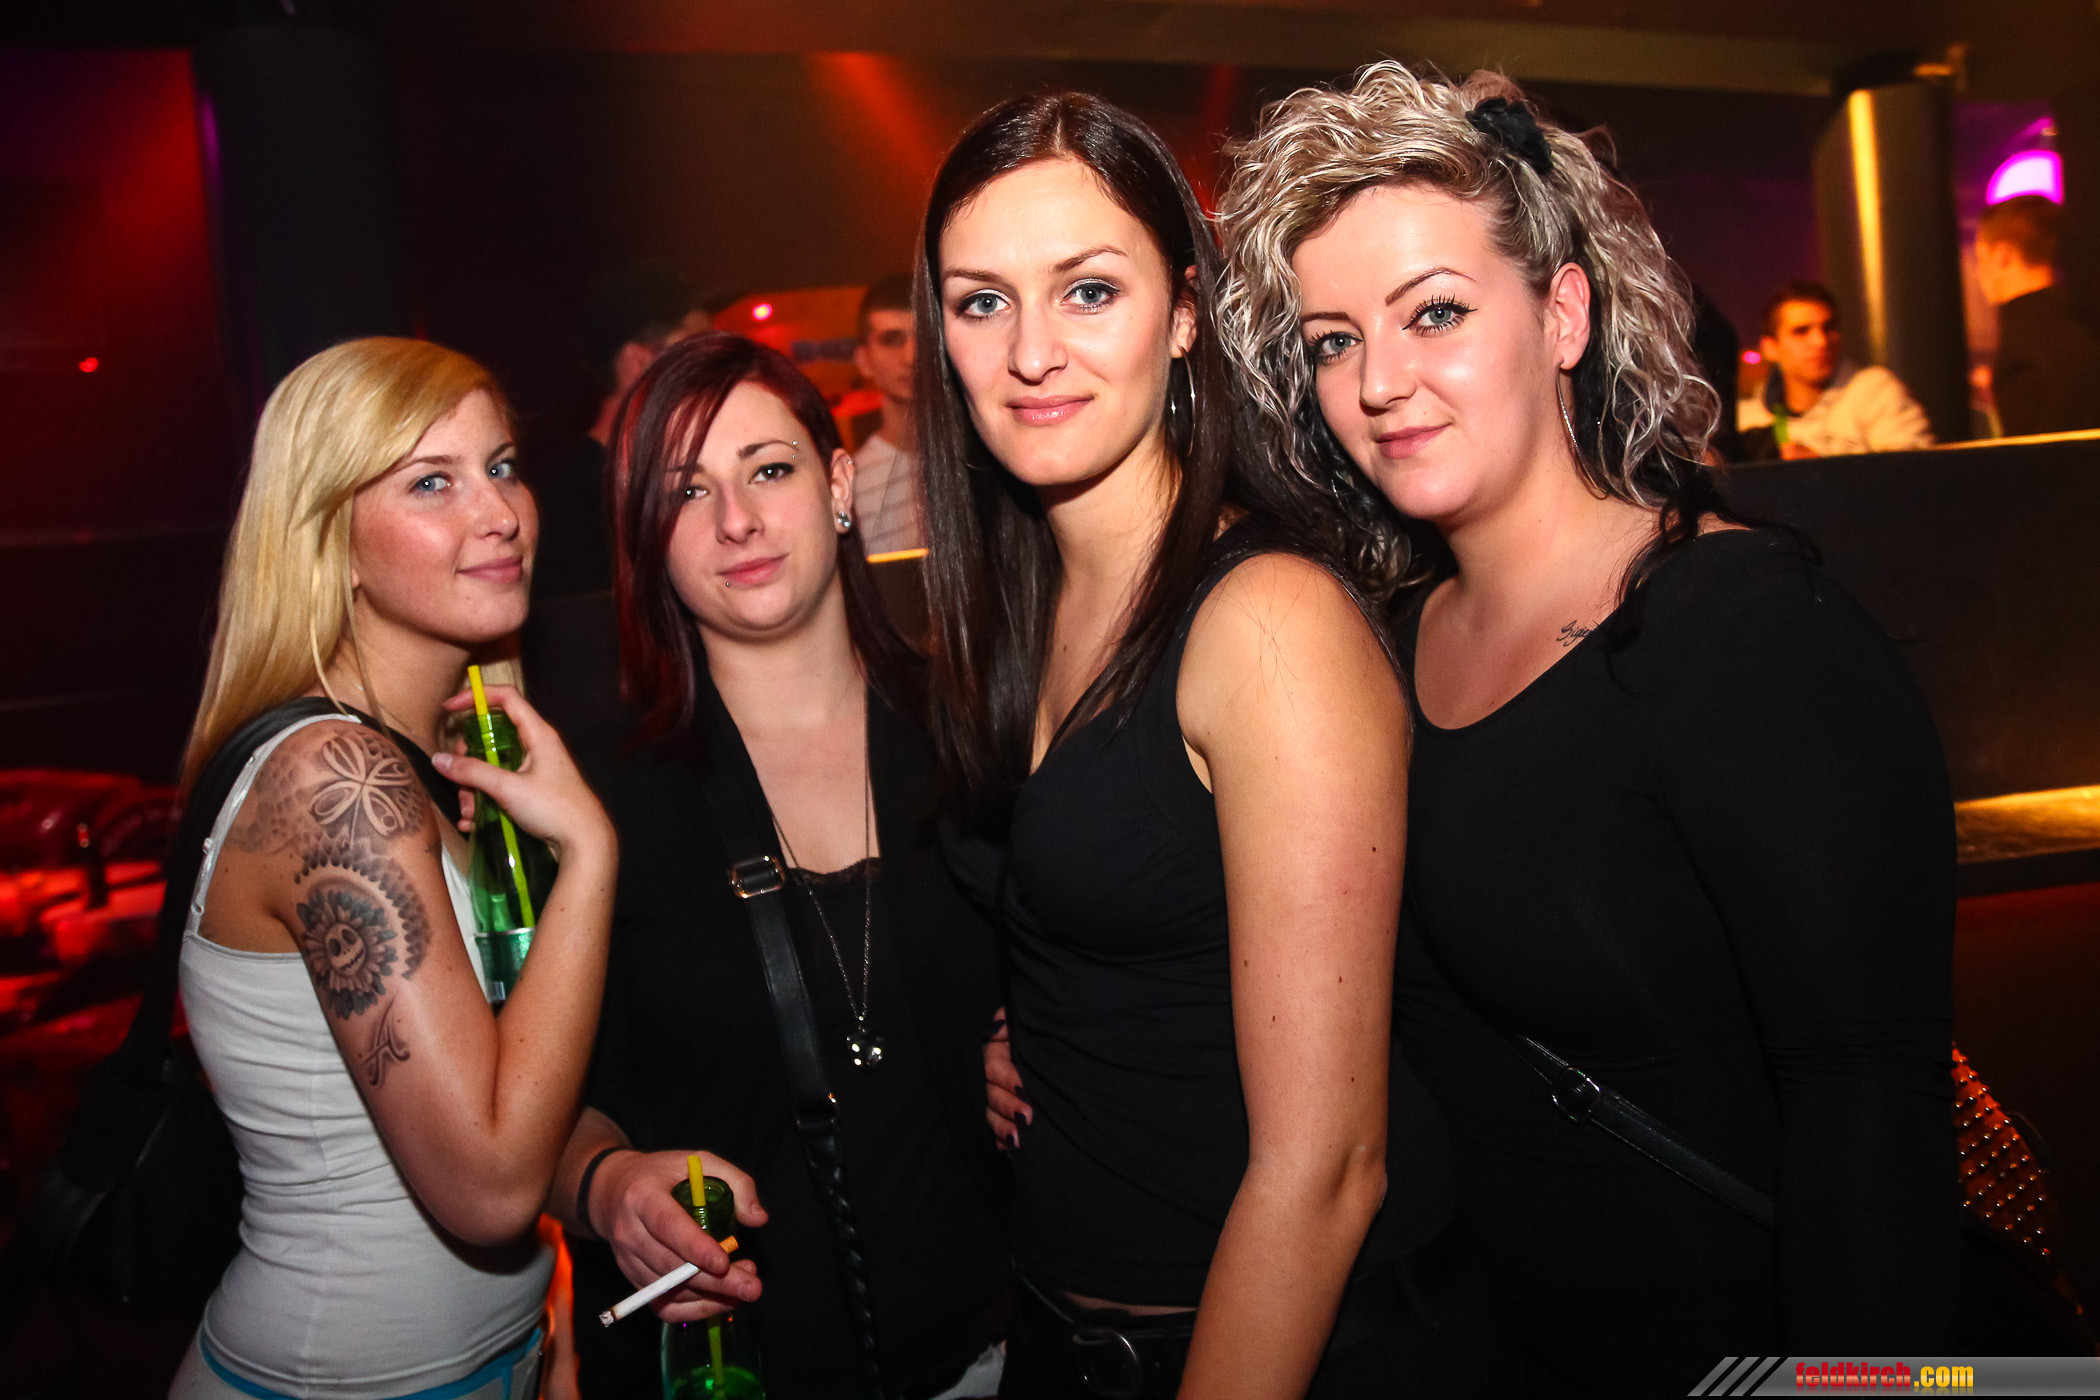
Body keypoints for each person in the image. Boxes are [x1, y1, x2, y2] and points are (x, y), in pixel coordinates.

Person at [1217, 63, 1959, 1395]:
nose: (1379, 380)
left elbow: (1869, 1103)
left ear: (1563, 314)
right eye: (1332, 340)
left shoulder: (1743, 631)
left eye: (1435, 313)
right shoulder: (1375, 646)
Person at [927, 92, 1488, 1399]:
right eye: (982, 302)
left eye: (1088, 291)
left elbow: (1326, 1170)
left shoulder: (1265, 622)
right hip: (1064, 1337)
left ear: (1184, 314)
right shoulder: (1025, 603)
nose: (1030, 353)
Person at [549, 332, 1010, 1399]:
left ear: (839, 485)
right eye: (688, 491)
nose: (738, 520)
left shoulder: (980, 735)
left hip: (1002, 1354)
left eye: (768, 469)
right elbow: (546, 1108)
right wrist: (608, 1186)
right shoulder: (599, 804)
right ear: (648, 537)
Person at [169, 337, 619, 1398]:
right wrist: (591, 857)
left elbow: (520, 1083)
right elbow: (490, 1189)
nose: (500, 513)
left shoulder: (427, 762)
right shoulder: (336, 777)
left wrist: (602, 1204)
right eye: (431, 482)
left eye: (501, 466)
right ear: (333, 542)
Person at [523, 260, 710, 733]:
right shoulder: (567, 500)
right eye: (695, 349)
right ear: (638, 363)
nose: (715, 368)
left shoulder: (702, 479)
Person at [1736, 280, 1934, 457]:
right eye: (1802, 331)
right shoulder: (1747, 419)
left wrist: (1821, 469)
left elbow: (1915, 472)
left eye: (1828, 328)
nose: (1821, 341)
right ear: (1770, 348)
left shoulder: (1874, 391)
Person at [1975, 194, 2100, 437]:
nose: (1979, 274)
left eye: (1981, 258)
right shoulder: (2085, 326)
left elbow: (2033, 453)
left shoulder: (2021, 345)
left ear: (2003, 257)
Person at [849, 274, 927, 558]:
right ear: (864, 361)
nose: (911, 356)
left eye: (925, 337)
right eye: (891, 339)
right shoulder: (850, 486)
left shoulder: (988, 459)